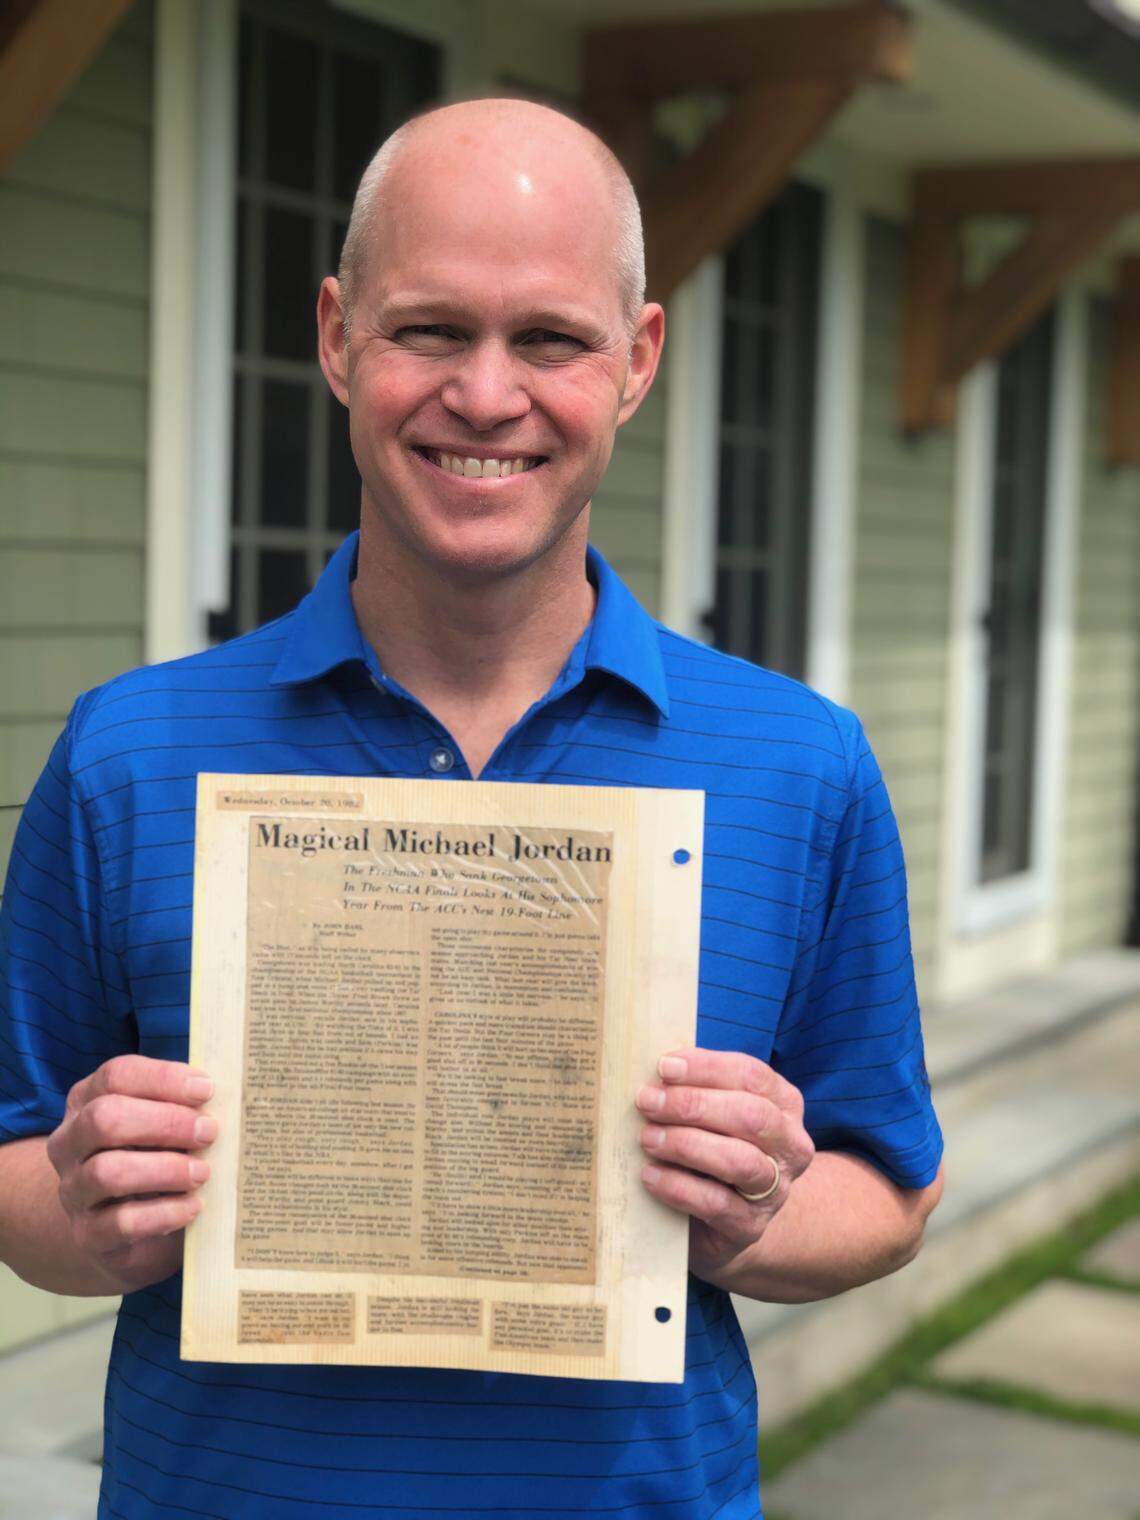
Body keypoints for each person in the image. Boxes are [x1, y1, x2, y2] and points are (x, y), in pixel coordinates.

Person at [0, 98, 943, 1519]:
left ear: (637, 360)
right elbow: (13, 1163)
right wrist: (83, 1205)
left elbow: (891, 1191)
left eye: (550, 339)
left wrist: (752, 1218)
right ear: (337, 336)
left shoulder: (800, 765)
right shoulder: (129, 752)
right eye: (430, 329)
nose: (487, 396)